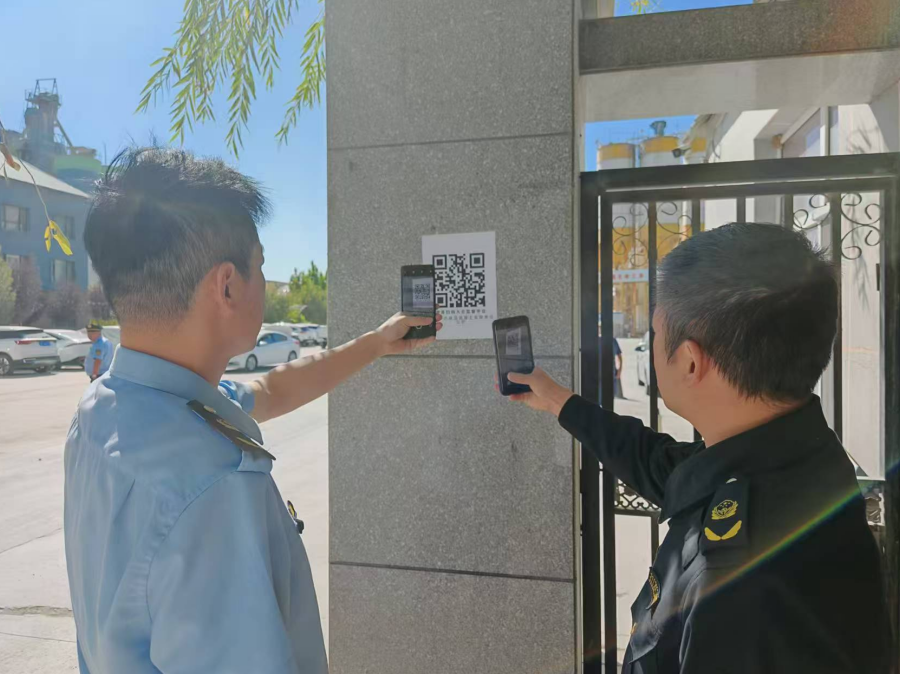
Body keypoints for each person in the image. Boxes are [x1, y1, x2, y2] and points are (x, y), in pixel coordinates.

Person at [64, 147, 442, 674]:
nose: (264, 281)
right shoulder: (213, 483)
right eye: (260, 266)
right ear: (227, 285)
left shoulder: (104, 409)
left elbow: (270, 390)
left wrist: (376, 343)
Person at [505, 223, 889, 673]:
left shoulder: (739, 586)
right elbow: (662, 467)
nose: (651, 347)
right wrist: (558, 401)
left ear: (689, 361)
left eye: (654, 333)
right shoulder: (791, 454)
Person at [598, 325, 624, 402]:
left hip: (610, 374)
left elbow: (619, 356)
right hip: (598, 375)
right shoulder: (597, 340)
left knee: (609, 399)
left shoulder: (613, 341)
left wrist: (619, 370)